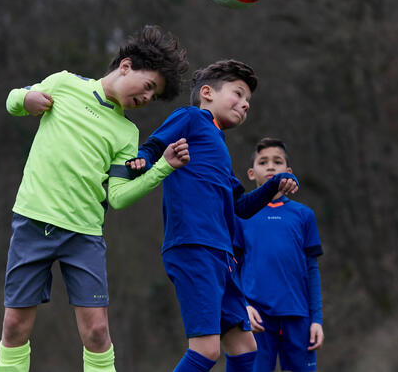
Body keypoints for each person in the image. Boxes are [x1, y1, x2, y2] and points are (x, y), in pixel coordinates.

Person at [0, 25, 190, 372]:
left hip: (83, 236)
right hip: (33, 223)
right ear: (126, 66)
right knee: (14, 326)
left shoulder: (127, 133)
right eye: (148, 86)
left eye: (153, 97)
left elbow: (117, 197)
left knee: (98, 332)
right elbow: (13, 101)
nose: (146, 98)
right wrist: (26, 99)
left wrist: (162, 168)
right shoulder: (65, 83)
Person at [128, 60, 300, 372]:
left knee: (245, 347)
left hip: (222, 255)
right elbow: (154, 144)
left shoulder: (219, 147)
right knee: (206, 351)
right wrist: (140, 159)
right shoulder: (191, 117)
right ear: (207, 92)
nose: (245, 104)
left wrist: (274, 184)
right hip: (193, 245)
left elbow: (242, 206)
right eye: (239, 94)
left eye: (248, 101)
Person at [233, 138, 324, 372]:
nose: (271, 166)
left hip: (298, 314)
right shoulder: (241, 216)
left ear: (289, 172)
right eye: (263, 162)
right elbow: (232, 266)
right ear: (252, 173)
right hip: (257, 317)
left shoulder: (304, 215)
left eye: (277, 161)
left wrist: (316, 319)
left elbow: (312, 270)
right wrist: (242, 306)